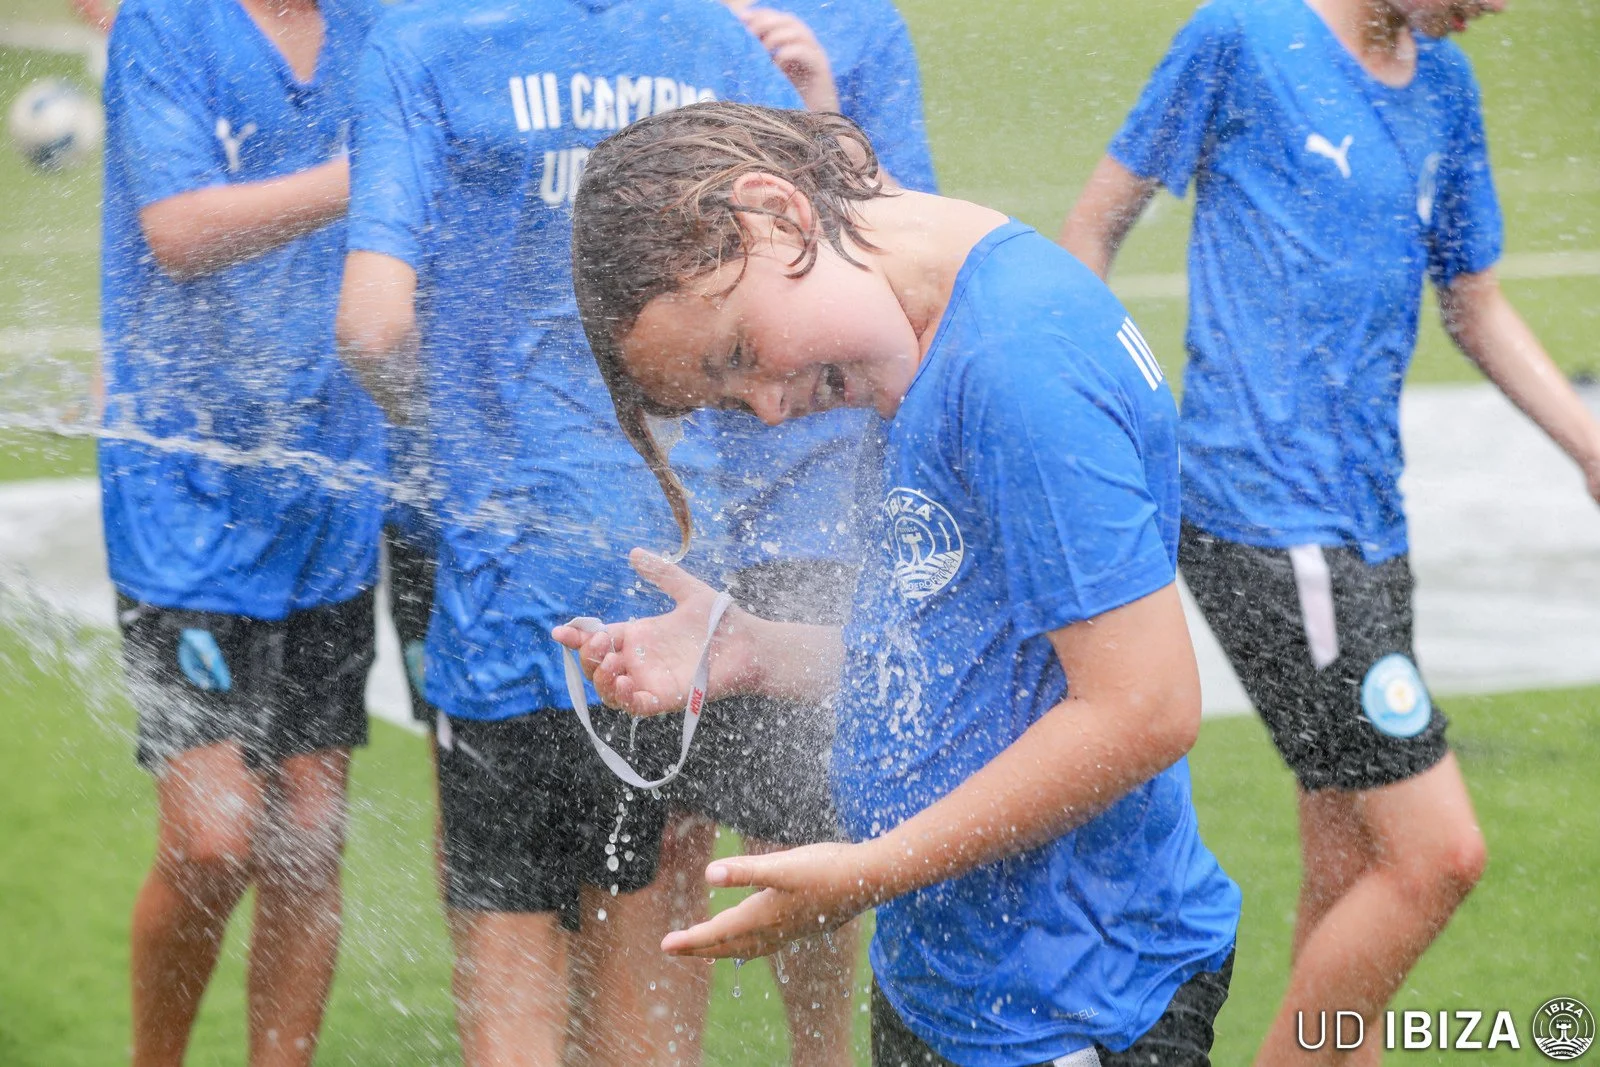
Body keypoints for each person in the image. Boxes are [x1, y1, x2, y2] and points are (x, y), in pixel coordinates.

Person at [557, 102, 1242, 1067]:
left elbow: (1145, 708)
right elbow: (969, 660)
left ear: (775, 213)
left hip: (1066, 1001)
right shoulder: (921, 343)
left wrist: (868, 872)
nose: (769, 409)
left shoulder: (1016, 363)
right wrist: (759, 649)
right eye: (730, 400)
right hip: (963, 981)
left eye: (740, 354)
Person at [1058, 0, 1600, 1062]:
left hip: (1369, 525)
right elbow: (1089, 230)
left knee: (1350, 874)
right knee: (1437, 856)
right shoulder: (1241, 38)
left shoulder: (1444, 86)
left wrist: (1588, 445)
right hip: (1263, 519)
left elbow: (1476, 303)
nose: (1493, 8)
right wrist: (1089, 415)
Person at [333, 3, 805, 1062]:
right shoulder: (710, 41)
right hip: (672, 594)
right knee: (641, 985)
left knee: (513, 986)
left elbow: (370, 326)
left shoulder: (425, 41)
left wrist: (451, 445)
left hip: (511, 587)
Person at [99, 0, 386, 1062]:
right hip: (184, 493)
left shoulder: (380, 24)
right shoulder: (167, 23)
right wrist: (365, 177)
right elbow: (178, 233)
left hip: (331, 477)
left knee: (308, 837)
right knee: (214, 838)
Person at [652, 3, 938, 1063]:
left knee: (797, 822)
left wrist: (818, 113)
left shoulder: (859, 25)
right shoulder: (641, 23)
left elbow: (914, 233)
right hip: (672, 491)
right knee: (664, 826)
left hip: (814, 489)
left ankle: (821, 1054)